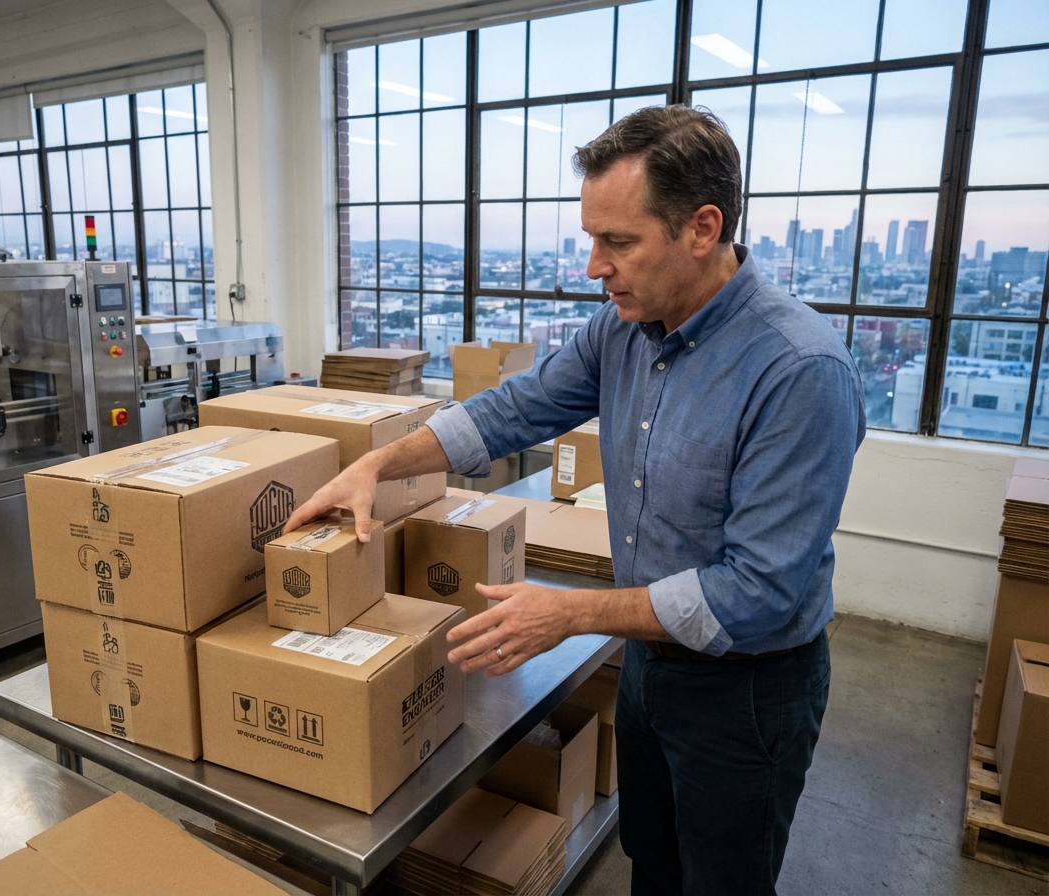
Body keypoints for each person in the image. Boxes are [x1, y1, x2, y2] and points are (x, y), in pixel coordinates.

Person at [285, 105, 865, 896]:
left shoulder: (798, 372)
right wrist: (379, 465)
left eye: (618, 242)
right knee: (651, 860)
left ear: (703, 228)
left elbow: (759, 591)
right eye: (591, 239)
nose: (594, 267)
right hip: (650, 664)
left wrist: (571, 613)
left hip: (747, 691)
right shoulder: (623, 329)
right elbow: (513, 410)